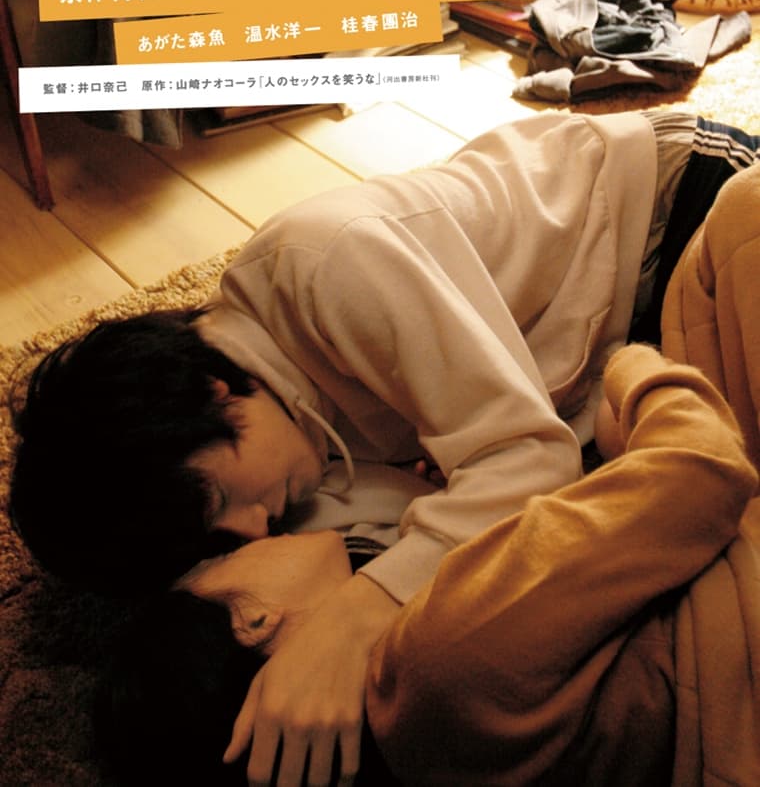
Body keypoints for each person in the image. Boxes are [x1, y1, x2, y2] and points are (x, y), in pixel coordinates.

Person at [10, 109, 760, 787]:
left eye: (217, 501)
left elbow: (532, 462)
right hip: (607, 364)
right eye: (214, 545)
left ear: (212, 394)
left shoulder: (324, 264)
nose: (252, 530)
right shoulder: (274, 472)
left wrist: (357, 615)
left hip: (664, 220)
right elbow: (447, 538)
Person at [97, 341, 760, 786]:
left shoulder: (418, 749)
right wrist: (632, 365)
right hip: (738, 613)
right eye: (222, 559)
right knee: (734, 227)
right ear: (255, 622)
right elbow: (700, 472)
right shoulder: (436, 655)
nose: (254, 534)